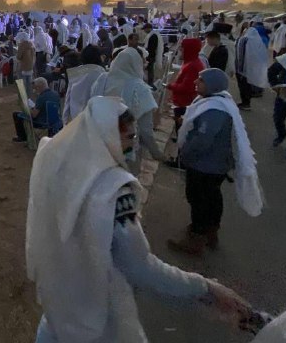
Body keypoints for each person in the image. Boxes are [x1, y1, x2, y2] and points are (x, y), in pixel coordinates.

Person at [27, 96, 253, 342]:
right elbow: (141, 268)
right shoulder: (114, 191)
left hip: (56, 311)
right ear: (107, 136)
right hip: (98, 323)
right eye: (129, 138)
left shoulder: (56, 167)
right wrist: (205, 288)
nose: (133, 147)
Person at [167, 69, 263, 255]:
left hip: (205, 164)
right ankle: (210, 230)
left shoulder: (214, 110)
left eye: (201, 80)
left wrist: (185, 153)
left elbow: (203, 139)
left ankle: (196, 237)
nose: (196, 81)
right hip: (215, 163)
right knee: (212, 197)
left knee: (198, 198)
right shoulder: (216, 101)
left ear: (211, 85)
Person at [93, 48, 165, 162]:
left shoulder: (102, 79)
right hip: (126, 148)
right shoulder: (140, 89)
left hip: (100, 144)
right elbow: (146, 130)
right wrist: (156, 153)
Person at [167, 38, 204, 133]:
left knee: (183, 133)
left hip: (185, 104)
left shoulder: (192, 65)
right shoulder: (190, 62)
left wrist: (171, 86)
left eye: (182, 49)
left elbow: (187, 87)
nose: (180, 51)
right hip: (183, 102)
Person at [12, 78, 60, 143]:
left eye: (36, 88)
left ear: (40, 86)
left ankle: (22, 137)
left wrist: (28, 108)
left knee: (16, 114)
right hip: (54, 121)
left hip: (42, 122)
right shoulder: (56, 94)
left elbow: (34, 115)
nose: (35, 90)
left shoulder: (41, 97)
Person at [235, 23, 270, 110]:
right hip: (252, 67)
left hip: (242, 68)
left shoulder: (244, 40)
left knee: (243, 86)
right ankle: (248, 100)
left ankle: (246, 103)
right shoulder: (257, 41)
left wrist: (240, 69)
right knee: (249, 84)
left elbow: (241, 55)